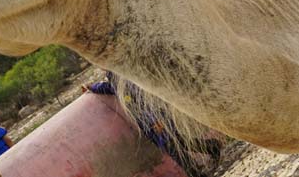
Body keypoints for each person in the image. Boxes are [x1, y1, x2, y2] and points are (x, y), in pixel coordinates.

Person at [83, 72, 222, 177]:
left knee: (173, 147)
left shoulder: (124, 78)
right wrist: (91, 87)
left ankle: (196, 173)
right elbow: (106, 88)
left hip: (155, 120)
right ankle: (211, 147)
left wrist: (155, 121)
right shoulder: (114, 80)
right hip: (149, 124)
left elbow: (143, 100)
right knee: (179, 141)